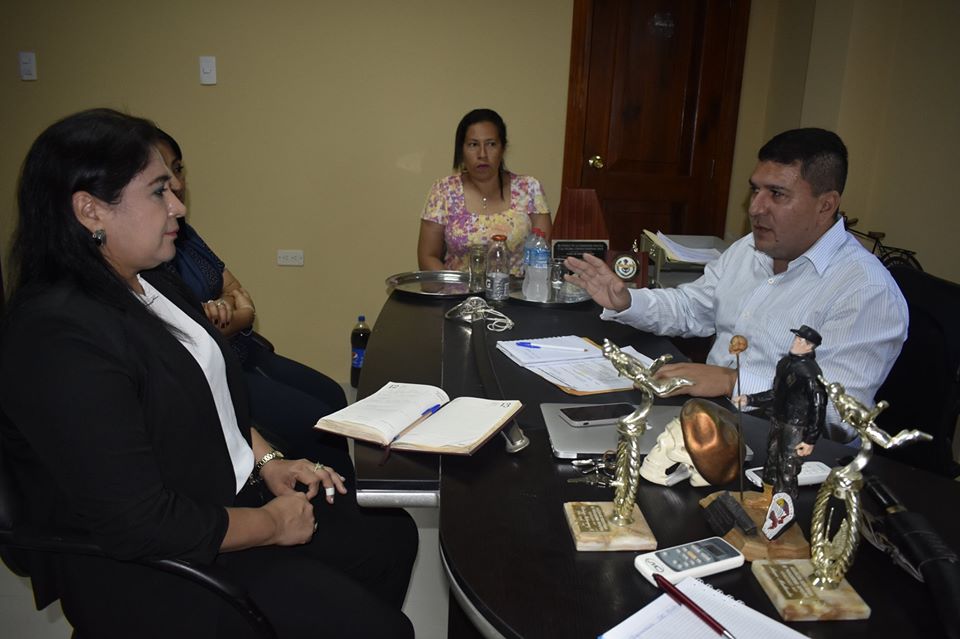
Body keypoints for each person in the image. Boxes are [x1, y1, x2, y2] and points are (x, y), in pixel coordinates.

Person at [0, 108, 417, 638]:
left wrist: (269, 462)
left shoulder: (152, 281)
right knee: (380, 628)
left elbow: (211, 398)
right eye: (158, 191)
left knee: (391, 537)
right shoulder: (57, 336)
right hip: (157, 564)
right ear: (90, 210)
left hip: (219, 497)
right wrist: (270, 524)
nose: (178, 204)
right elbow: (138, 522)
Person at [565, 128, 908, 442]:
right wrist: (627, 301)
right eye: (755, 189)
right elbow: (693, 308)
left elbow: (840, 413)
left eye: (777, 194)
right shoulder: (751, 248)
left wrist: (732, 382)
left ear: (825, 205)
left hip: (789, 450)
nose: (755, 208)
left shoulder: (866, 291)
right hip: (711, 420)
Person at [154, 128, 350, 473]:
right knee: (317, 422)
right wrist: (238, 313)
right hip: (215, 371)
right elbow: (194, 333)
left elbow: (238, 291)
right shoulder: (149, 254)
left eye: (178, 168)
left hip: (244, 350)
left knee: (335, 395)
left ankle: (342, 491)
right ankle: (327, 495)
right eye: (161, 176)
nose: (178, 183)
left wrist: (232, 311)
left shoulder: (185, 233)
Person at [417, 108, 552, 276]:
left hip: (518, 290)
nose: (482, 154)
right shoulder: (444, 190)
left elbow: (542, 254)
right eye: (473, 145)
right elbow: (427, 256)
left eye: (491, 144)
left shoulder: (529, 188)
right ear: (461, 150)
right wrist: (453, 287)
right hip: (458, 290)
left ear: (503, 148)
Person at [735, 326, 827, 509]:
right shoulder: (784, 363)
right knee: (771, 460)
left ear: (810, 346)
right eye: (796, 338)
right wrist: (750, 399)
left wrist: (810, 439)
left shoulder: (811, 373)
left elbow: (819, 406)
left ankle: (782, 508)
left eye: (801, 340)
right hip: (778, 419)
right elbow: (776, 394)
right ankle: (767, 498)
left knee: (788, 467)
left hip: (796, 426)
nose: (795, 342)